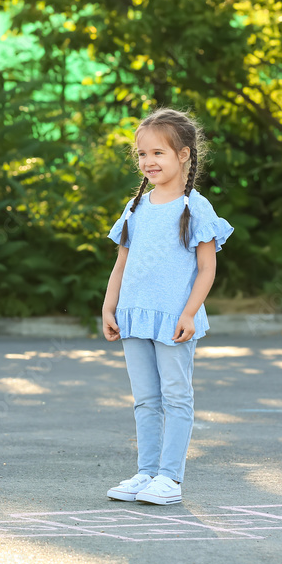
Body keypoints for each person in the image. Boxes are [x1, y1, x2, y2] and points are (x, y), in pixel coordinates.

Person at [102, 107, 233, 505]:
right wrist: (109, 308)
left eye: (158, 153)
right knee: (145, 398)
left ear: (184, 155)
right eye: (142, 154)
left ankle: (170, 479)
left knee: (176, 396)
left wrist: (189, 313)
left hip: (175, 319)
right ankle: (146, 473)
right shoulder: (136, 208)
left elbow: (207, 269)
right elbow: (121, 264)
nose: (148, 162)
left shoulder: (196, 208)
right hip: (134, 316)